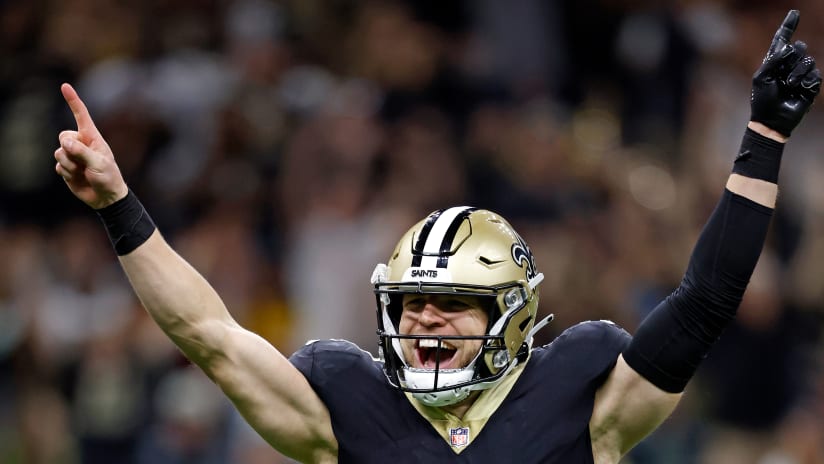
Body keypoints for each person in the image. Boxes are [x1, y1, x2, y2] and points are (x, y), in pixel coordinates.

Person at [53, 9, 820, 464]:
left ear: (510, 315)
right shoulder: (347, 401)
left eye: (450, 303)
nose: (422, 320)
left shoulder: (582, 396)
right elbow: (209, 334)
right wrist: (119, 202)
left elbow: (707, 299)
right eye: (413, 302)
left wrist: (761, 137)